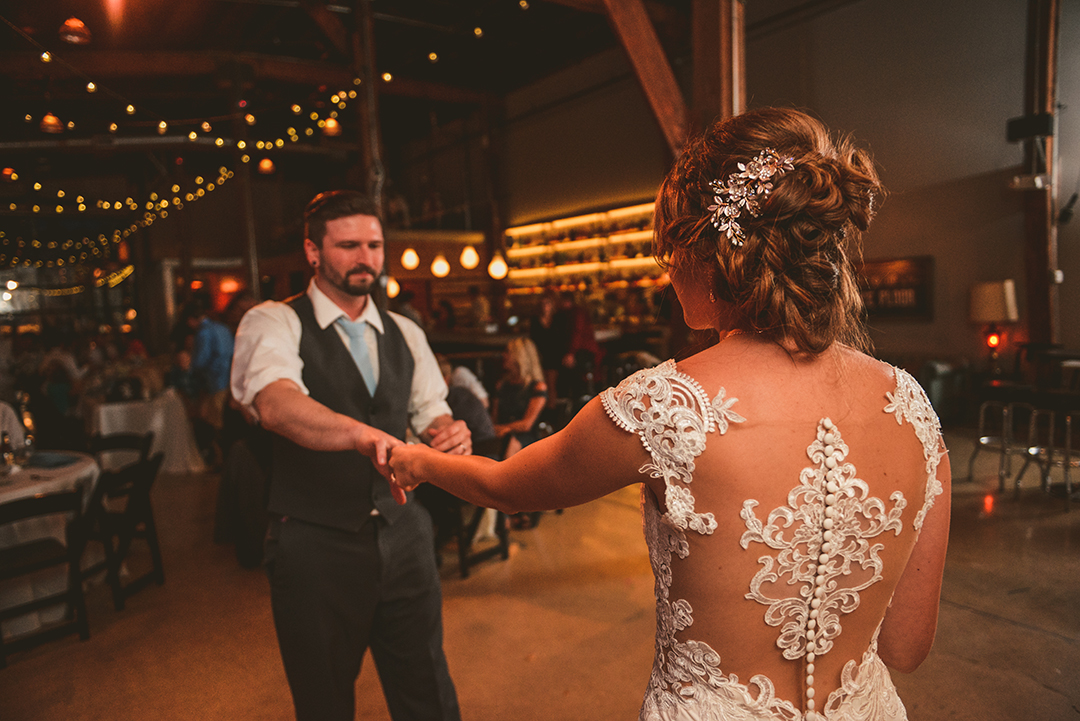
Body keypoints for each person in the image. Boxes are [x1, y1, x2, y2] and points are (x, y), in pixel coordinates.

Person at [388, 108, 951, 721]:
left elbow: (509, 487)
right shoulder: (913, 409)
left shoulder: (666, 406)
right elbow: (905, 646)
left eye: (667, 251)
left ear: (704, 248)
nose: (665, 274)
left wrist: (420, 460)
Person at [230, 189, 470, 721]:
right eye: (349, 246)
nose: (366, 258)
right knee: (324, 700)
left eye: (375, 245)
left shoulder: (405, 331)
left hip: (405, 532)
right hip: (315, 542)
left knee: (427, 688)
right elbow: (275, 403)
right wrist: (362, 436)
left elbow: (433, 411)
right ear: (313, 252)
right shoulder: (274, 321)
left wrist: (450, 432)